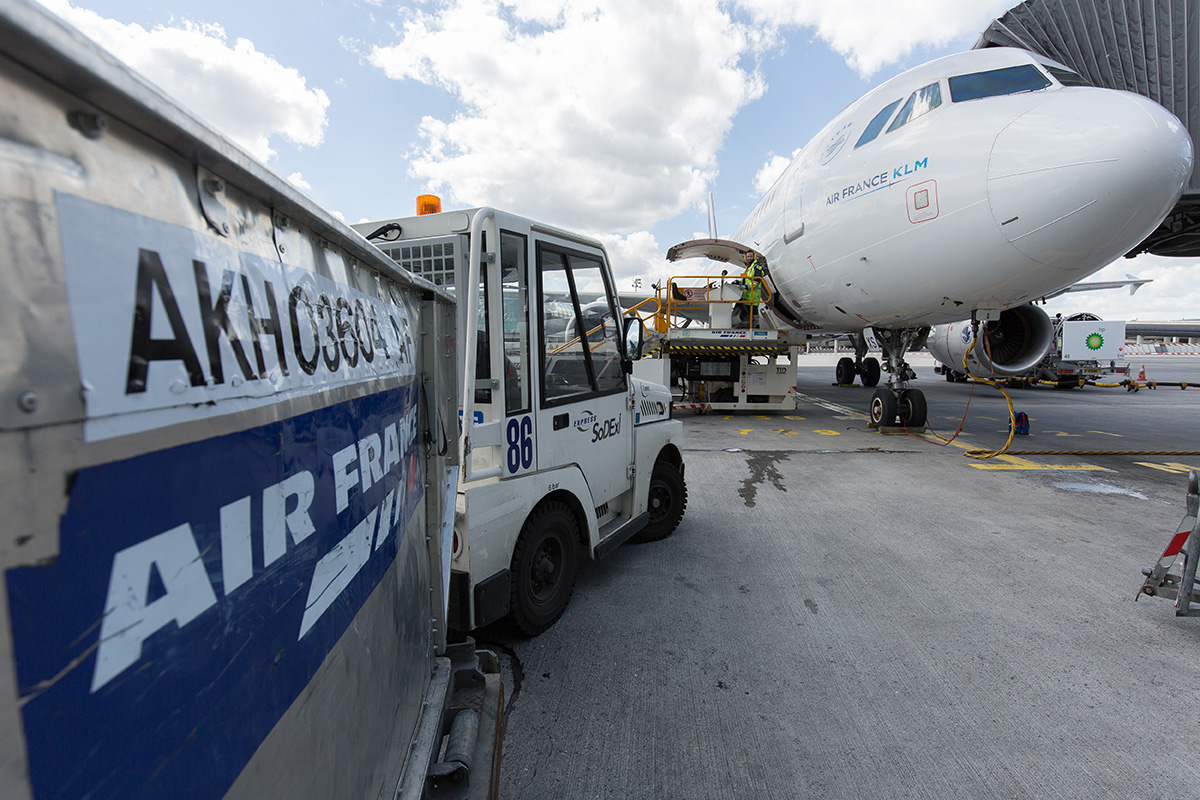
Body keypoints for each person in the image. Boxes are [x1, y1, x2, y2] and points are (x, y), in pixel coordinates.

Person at [734, 252, 767, 328]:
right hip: (747, 294)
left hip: (753, 294)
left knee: (754, 311)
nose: (749, 258)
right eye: (748, 256)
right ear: (745, 257)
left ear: (754, 257)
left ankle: (756, 327)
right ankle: (750, 326)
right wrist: (738, 282)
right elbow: (745, 279)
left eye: (751, 256)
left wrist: (747, 286)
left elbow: (756, 281)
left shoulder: (756, 267)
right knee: (748, 312)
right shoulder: (748, 267)